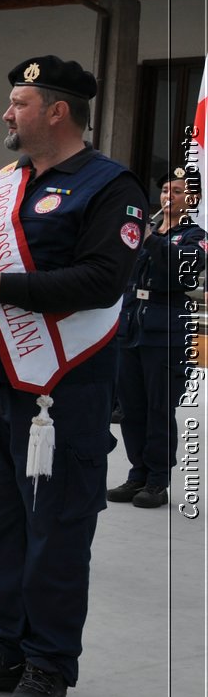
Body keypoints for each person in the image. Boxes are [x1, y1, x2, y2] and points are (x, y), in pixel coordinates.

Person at [0, 55, 146, 697]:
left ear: (56, 111)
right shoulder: (5, 184)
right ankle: (2, 643)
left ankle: (48, 661)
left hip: (64, 390)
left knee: (55, 528)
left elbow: (101, 280)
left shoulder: (110, 186)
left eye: (18, 102)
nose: (6, 114)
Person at [109, 167, 204, 509]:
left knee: (159, 408)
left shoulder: (195, 236)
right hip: (131, 326)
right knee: (131, 408)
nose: (168, 196)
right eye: (165, 190)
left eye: (177, 191)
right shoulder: (140, 232)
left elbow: (185, 273)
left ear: (192, 199)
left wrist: (149, 240)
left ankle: (157, 480)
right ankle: (137, 473)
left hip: (166, 332)